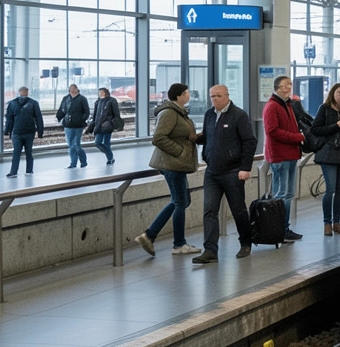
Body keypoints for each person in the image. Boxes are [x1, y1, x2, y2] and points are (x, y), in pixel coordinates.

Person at [135, 83, 201, 257]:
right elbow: (158, 138)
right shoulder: (169, 113)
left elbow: (178, 134)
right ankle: (178, 244)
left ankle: (149, 235)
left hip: (178, 164)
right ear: (179, 96)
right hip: (172, 164)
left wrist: (192, 138)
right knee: (180, 202)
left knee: (182, 201)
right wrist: (179, 151)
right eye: (186, 93)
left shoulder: (179, 112)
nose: (188, 95)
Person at [193, 85, 257, 263]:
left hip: (233, 171)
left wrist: (246, 168)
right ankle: (210, 250)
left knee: (238, 210)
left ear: (227, 96)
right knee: (209, 211)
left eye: (219, 96)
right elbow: (208, 137)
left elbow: (249, 142)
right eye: (212, 96)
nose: (215, 99)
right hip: (212, 171)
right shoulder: (209, 114)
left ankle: (245, 242)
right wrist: (194, 138)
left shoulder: (238, 115)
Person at [264, 75, 306, 243]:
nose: (287, 88)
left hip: (290, 155)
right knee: (283, 195)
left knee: (287, 193)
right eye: (284, 86)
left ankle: (283, 228)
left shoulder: (287, 104)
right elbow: (272, 131)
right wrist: (297, 137)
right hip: (280, 156)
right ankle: (281, 230)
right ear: (276, 88)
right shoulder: (272, 106)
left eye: (289, 85)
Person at [312, 83, 340, 235]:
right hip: (328, 154)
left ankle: (337, 222)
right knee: (330, 190)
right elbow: (315, 129)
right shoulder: (324, 109)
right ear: (332, 93)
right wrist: (336, 125)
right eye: (338, 92)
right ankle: (327, 223)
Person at [4, 86, 43, 177]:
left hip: (17, 132)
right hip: (29, 131)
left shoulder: (13, 103)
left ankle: (14, 172)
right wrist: (40, 131)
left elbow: (9, 118)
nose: (24, 93)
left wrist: (7, 131)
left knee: (16, 153)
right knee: (28, 152)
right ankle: (29, 171)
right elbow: (38, 118)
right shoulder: (33, 103)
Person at [56, 83, 90, 169]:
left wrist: (81, 120)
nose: (72, 90)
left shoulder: (82, 99)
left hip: (78, 126)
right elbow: (61, 109)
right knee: (70, 144)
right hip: (68, 125)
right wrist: (60, 118)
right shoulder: (66, 98)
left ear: (77, 89)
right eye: (70, 89)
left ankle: (83, 161)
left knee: (76, 145)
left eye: (73, 89)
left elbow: (86, 112)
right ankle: (73, 163)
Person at [90, 88, 122, 165]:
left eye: (101, 92)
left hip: (107, 125)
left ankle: (110, 158)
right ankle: (110, 156)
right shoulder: (98, 102)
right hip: (98, 125)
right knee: (97, 143)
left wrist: (113, 122)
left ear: (105, 93)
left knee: (106, 143)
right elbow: (95, 115)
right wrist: (92, 125)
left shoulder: (112, 101)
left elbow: (116, 114)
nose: (99, 93)